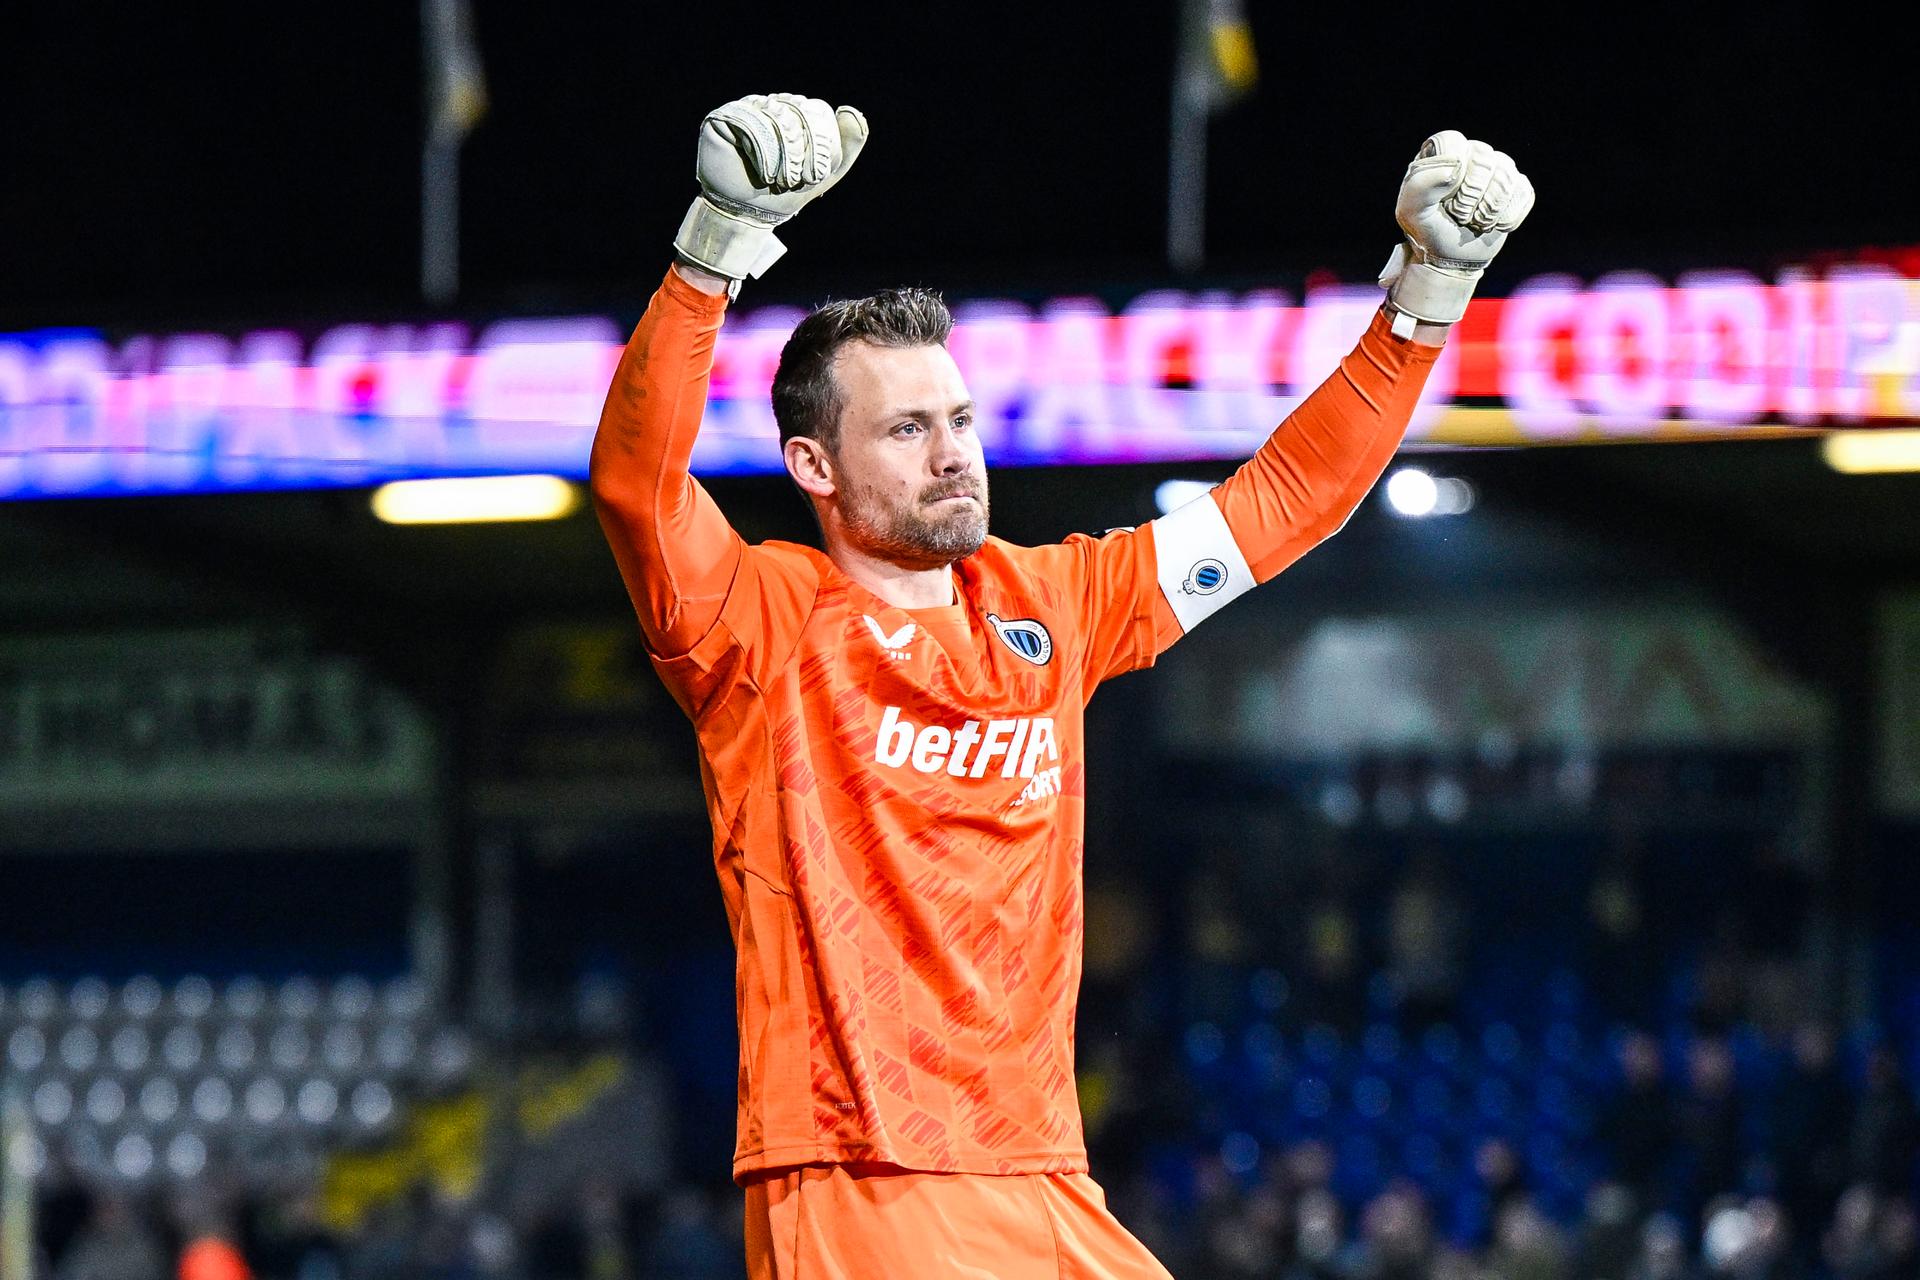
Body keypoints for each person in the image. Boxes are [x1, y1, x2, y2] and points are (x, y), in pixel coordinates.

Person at [591, 93, 1533, 1278]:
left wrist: (1423, 300)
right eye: (906, 431)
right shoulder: (762, 625)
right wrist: (714, 243)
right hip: (861, 1172)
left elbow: (1278, 506)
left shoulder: (1056, 605)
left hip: (1041, 1172)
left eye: (961, 419)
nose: (951, 453)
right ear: (813, 465)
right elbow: (636, 486)